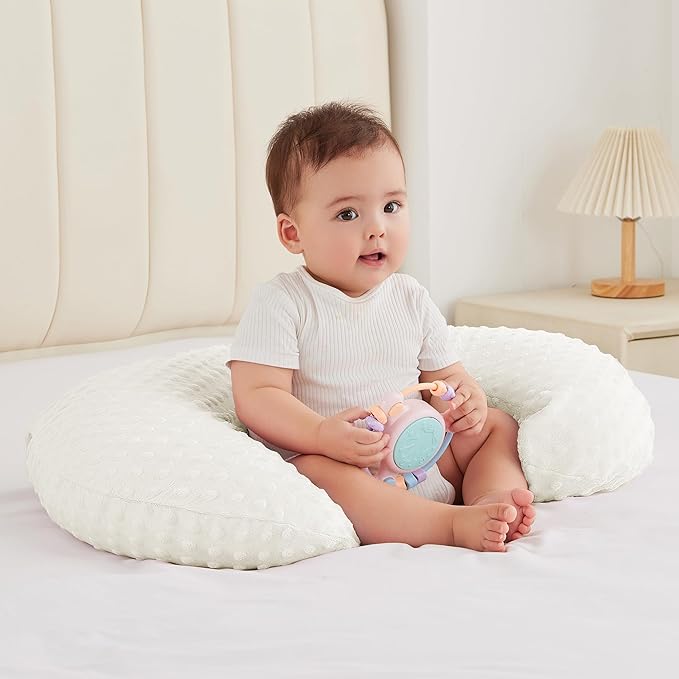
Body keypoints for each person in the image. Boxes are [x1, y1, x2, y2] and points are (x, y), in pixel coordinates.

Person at [228, 102, 535, 552]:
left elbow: (445, 378)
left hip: (425, 455)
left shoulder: (410, 297)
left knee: (494, 426)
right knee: (312, 472)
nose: (377, 229)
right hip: (351, 467)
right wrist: (320, 435)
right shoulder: (284, 302)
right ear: (293, 233)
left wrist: (465, 400)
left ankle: (491, 498)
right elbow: (257, 395)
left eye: (391, 206)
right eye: (348, 214)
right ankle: (449, 526)